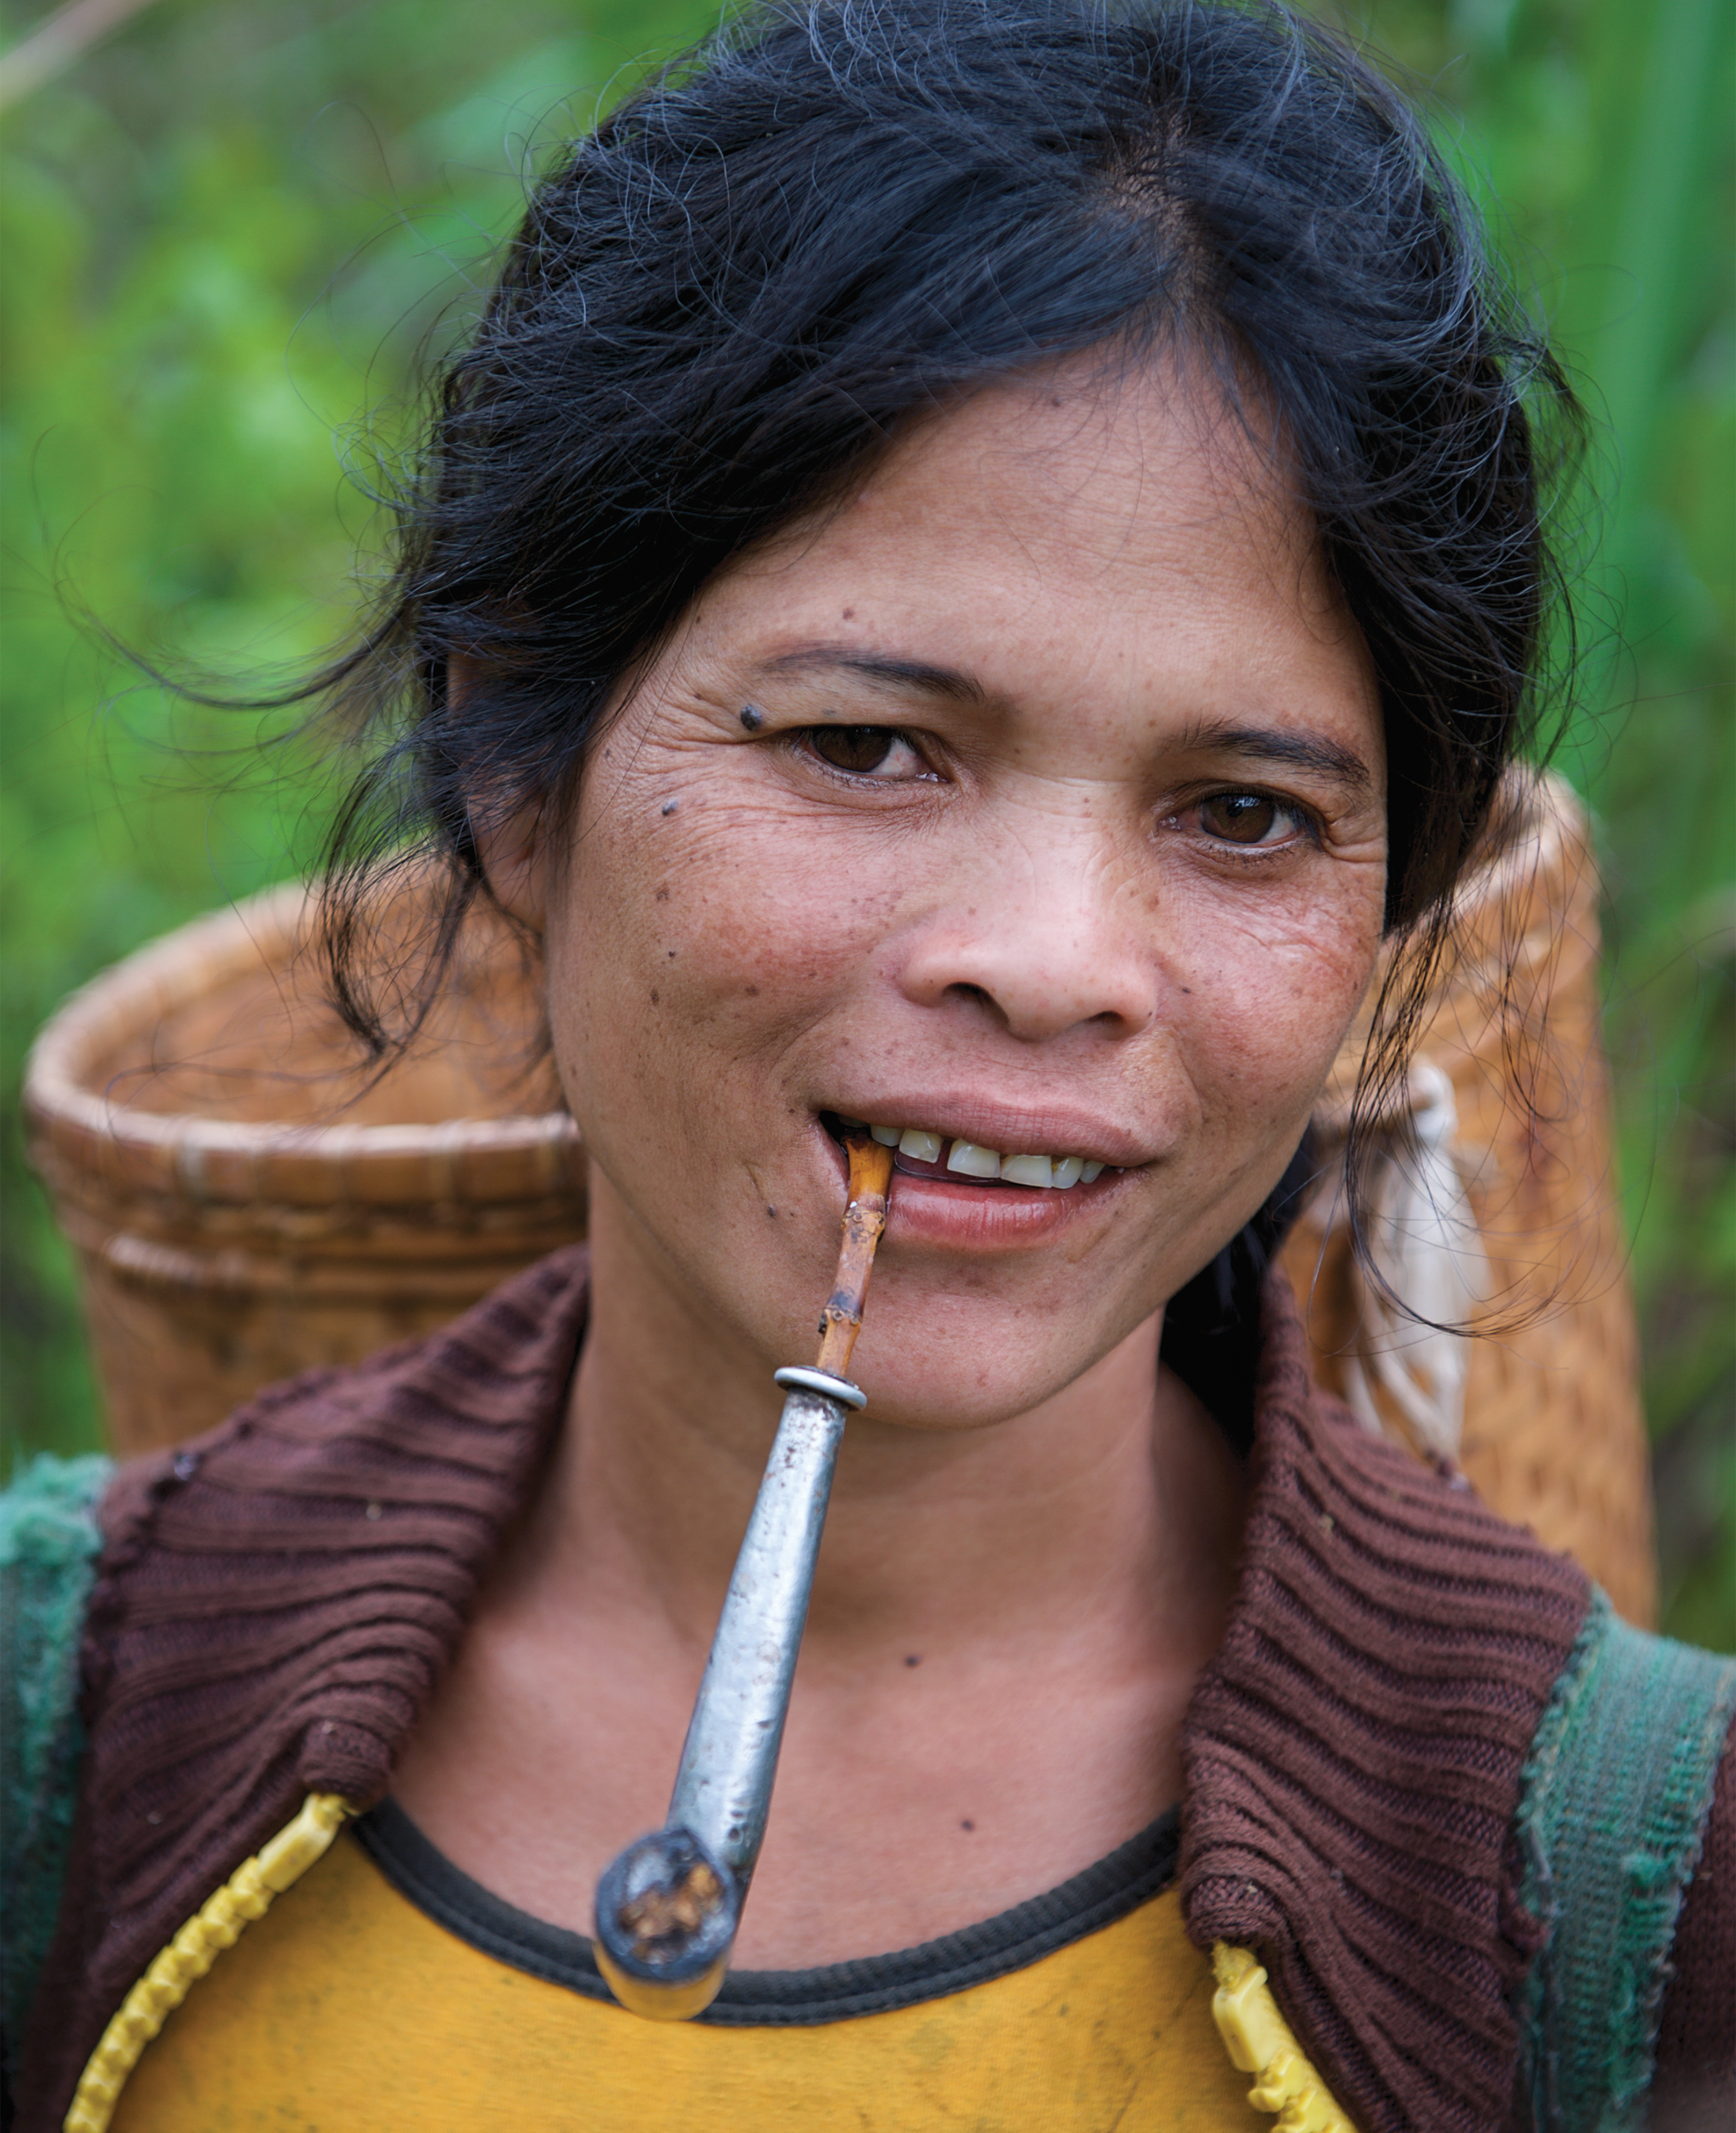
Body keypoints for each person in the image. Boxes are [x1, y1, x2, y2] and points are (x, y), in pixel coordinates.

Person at [4, 3, 1731, 2128]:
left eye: (1246, 812)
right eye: (864, 747)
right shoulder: (67, 1731)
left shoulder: (1639, 1917)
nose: (1054, 964)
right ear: (513, 763)